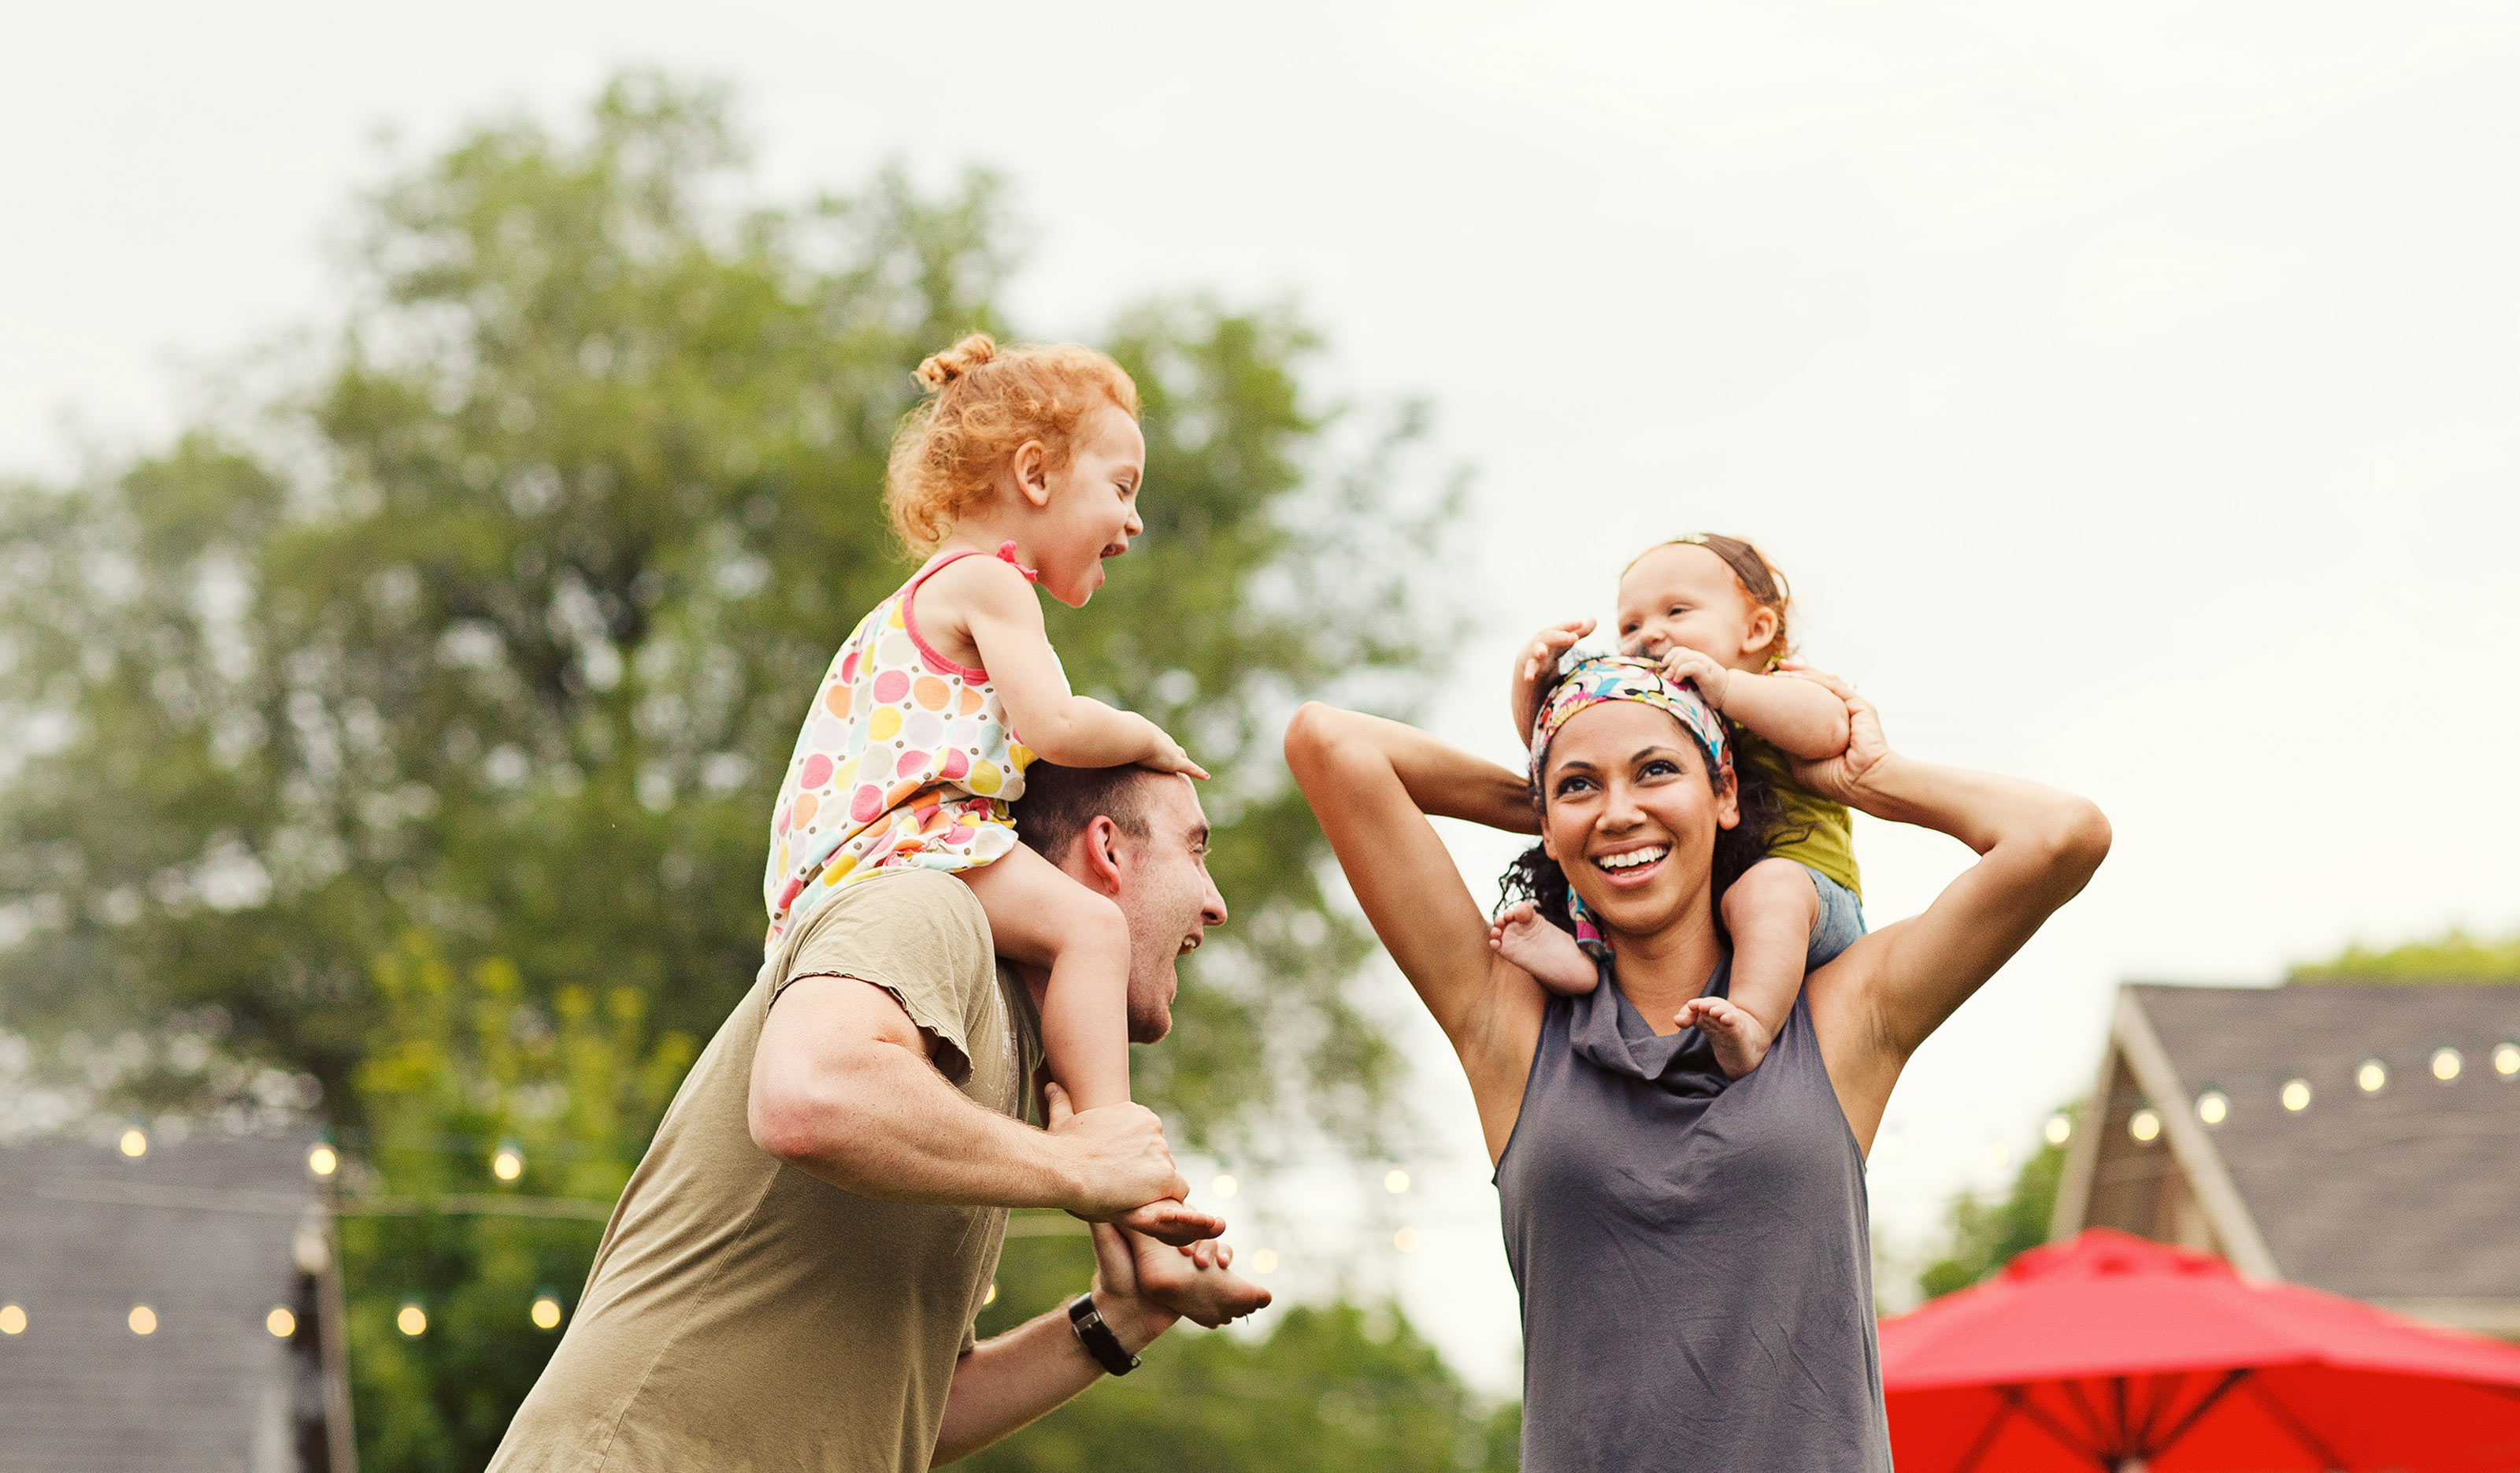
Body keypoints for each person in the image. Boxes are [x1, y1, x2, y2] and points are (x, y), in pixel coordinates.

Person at [1284, 656, 2107, 1471]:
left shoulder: (1836, 1019)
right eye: (1579, 785)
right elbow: (1327, 743)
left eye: (1656, 771)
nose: (1619, 811)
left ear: (1723, 792)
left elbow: (2062, 836)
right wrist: (1548, 810)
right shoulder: (1512, 1026)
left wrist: (1868, 777)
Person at [489, 762, 1269, 1473]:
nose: (1216, 903)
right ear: (1107, 849)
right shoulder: (928, 906)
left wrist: (1119, 1321)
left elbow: (909, 1414)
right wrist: (1077, 1165)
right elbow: (808, 1094)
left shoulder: (999, 1063)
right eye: (1196, 849)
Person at [1492, 532, 1860, 1078]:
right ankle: (1583, 962)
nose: (1650, 634)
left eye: (1677, 612)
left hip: (1812, 898)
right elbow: (1557, 750)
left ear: (1757, 630)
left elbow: (1830, 731)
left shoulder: (1781, 685)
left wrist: (1729, 689)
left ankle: (1752, 1022)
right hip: (1719, 903)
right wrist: (1532, 685)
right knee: (1614, 859)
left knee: (1764, 890)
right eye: (1631, 626)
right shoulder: (1670, 710)